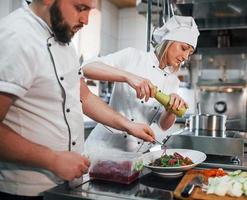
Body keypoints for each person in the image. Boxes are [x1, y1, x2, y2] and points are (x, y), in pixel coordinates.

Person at [0, 0, 156, 199]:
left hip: (65, 185)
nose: (86, 20)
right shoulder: (15, 37)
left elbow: (84, 97)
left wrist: (128, 125)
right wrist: (53, 159)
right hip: (24, 190)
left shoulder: (64, 41)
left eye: (89, 10)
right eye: (80, 8)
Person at [83, 15, 199, 153]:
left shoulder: (173, 81)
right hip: (104, 148)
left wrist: (170, 110)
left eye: (190, 53)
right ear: (169, 41)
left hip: (135, 153)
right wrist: (128, 77)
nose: (186, 57)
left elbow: (163, 125)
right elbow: (86, 68)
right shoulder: (133, 56)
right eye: (184, 48)